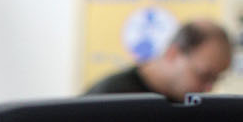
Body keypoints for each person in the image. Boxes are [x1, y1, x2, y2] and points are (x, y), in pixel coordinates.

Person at [85, 20, 232, 101]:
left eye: (216, 79)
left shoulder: (189, 103)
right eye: (204, 76)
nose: (209, 88)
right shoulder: (108, 98)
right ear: (173, 53)